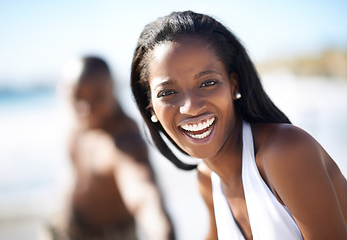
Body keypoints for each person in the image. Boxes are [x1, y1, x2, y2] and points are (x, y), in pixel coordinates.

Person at [130, 11, 347, 240]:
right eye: (168, 92)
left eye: (208, 82)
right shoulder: (207, 180)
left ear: (233, 86)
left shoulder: (284, 151)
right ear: (151, 108)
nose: (191, 107)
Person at [50, 56, 176, 240]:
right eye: (77, 96)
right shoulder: (76, 123)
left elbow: (144, 197)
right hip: (63, 228)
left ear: (112, 89)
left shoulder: (124, 142)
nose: (85, 108)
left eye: (97, 96)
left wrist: (163, 233)